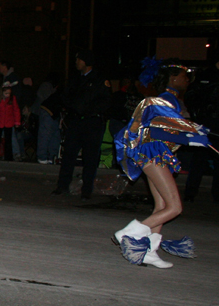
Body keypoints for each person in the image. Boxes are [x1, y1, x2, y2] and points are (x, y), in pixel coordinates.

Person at [113, 59, 211, 269]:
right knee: (175, 207)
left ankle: (150, 251)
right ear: (172, 78)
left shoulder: (169, 99)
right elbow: (157, 129)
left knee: (162, 206)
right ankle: (130, 233)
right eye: (184, 76)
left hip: (153, 154)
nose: (187, 80)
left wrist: (192, 133)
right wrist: (190, 138)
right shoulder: (166, 99)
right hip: (153, 153)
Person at [52, 50, 111, 199]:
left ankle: (86, 190)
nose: (76, 62)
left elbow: (105, 102)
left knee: (90, 157)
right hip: (76, 121)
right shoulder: (75, 79)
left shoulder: (99, 79)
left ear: (85, 61)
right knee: (69, 154)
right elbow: (65, 96)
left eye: (78, 60)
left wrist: (87, 109)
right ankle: (62, 185)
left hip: (92, 122)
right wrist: (73, 107)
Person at [184, 56, 219, 203]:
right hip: (205, 122)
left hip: (216, 123)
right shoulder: (206, 75)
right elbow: (191, 96)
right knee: (199, 158)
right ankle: (190, 192)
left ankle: (216, 194)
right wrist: (199, 114)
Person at [32, 72, 62, 164]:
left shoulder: (53, 88)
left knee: (54, 135)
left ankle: (51, 157)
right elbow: (44, 97)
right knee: (46, 134)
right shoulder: (46, 86)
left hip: (54, 113)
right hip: (47, 111)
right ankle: (43, 157)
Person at [0, 83, 20, 160]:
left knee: (8, 141)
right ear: (2, 92)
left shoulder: (12, 99)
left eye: (9, 93)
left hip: (9, 122)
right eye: (6, 93)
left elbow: (16, 110)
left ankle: (9, 157)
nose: (7, 95)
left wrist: (17, 122)